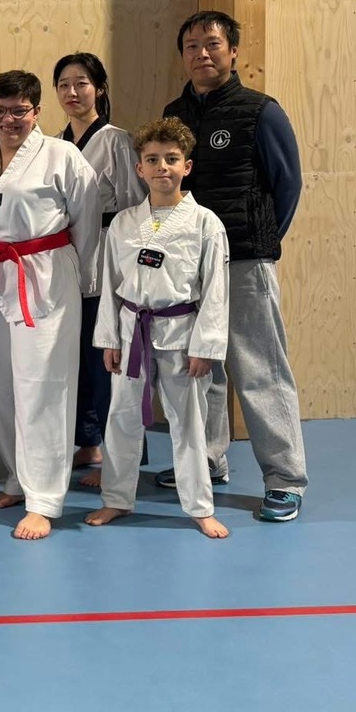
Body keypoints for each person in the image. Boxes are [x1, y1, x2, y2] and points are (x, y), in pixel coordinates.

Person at [164, 10, 309, 522]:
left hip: (246, 260)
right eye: (191, 46)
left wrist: (260, 238)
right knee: (201, 367)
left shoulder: (260, 111)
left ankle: (285, 478)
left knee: (260, 369)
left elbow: (287, 185)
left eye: (212, 44)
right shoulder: (174, 114)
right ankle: (208, 460)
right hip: (189, 264)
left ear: (232, 52)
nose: (201, 53)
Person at [0, 70, 100, 539]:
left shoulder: (63, 156)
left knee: (43, 387)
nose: (8, 120)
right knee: (0, 384)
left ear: (37, 111)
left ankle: (44, 499)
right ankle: (19, 477)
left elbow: (87, 224)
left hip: (44, 279)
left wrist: (80, 281)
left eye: (19, 111)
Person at [89, 118, 230, 538]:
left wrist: (206, 346)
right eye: (152, 159)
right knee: (121, 418)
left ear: (187, 166)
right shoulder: (123, 222)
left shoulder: (205, 222)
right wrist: (109, 338)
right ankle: (117, 498)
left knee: (188, 422)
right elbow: (111, 284)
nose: (161, 167)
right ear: (139, 168)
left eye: (171, 159)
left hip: (180, 333)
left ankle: (200, 507)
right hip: (131, 329)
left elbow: (216, 290)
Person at [52, 52, 145, 488]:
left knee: (109, 359)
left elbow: (133, 207)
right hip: (67, 256)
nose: (72, 92)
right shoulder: (54, 144)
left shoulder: (116, 141)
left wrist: (128, 270)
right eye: (64, 84)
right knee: (79, 359)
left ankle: (121, 456)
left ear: (100, 89)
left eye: (82, 83)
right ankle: (89, 442)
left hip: (109, 257)